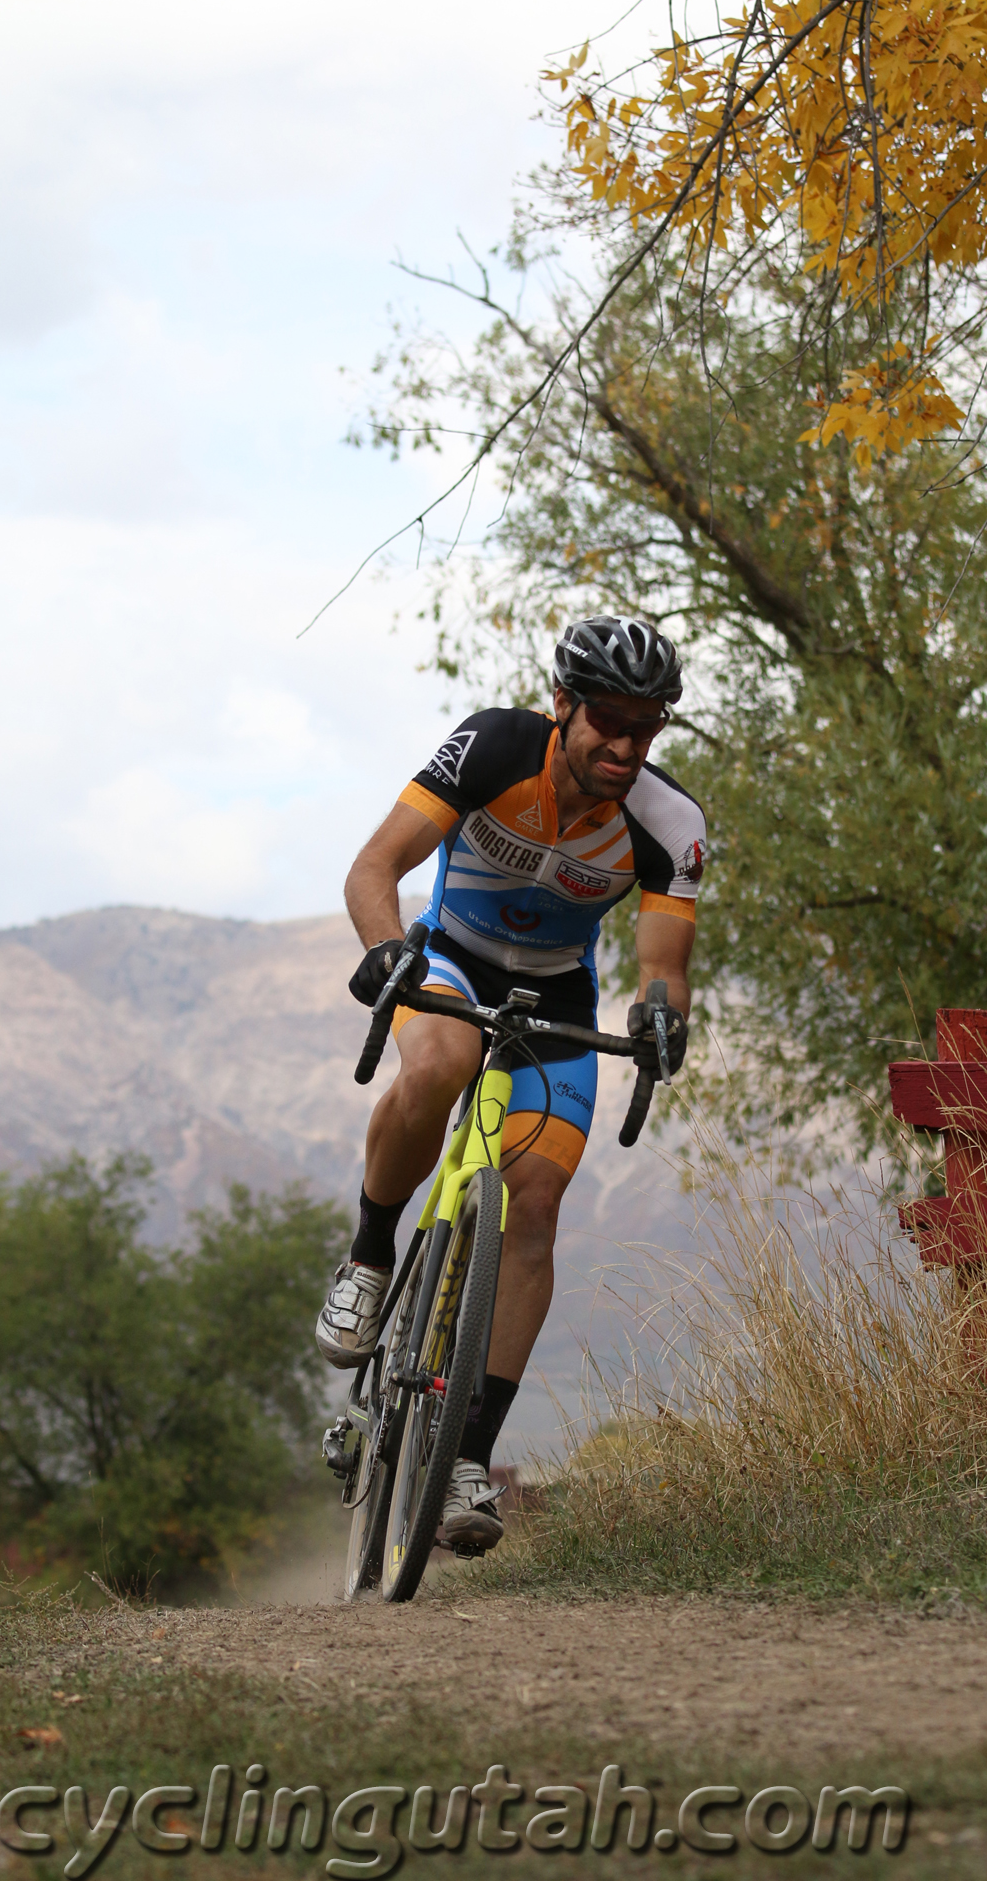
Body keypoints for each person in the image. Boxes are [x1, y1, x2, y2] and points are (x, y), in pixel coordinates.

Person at [315, 615, 706, 1550]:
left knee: (534, 1201)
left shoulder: (670, 823)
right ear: (562, 704)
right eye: (606, 719)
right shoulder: (493, 745)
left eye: (645, 729)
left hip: (557, 993)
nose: (624, 745)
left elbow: (665, 964)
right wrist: (383, 952)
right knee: (442, 1062)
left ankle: (464, 1460)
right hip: (449, 958)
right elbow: (375, 868)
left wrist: (662, 1015)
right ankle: (372, 1254)